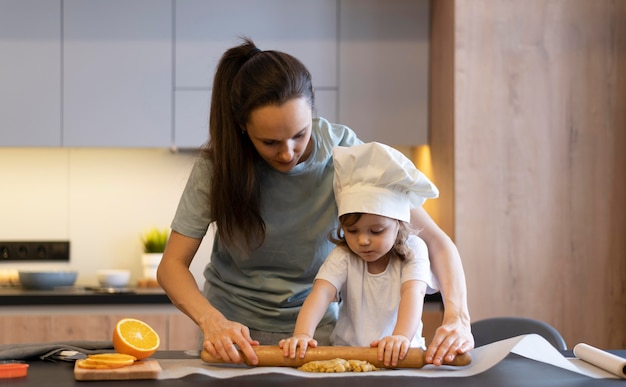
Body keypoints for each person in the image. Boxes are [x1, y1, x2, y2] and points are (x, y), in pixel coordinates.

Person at [156, 37, 473, 367]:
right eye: (270, 142)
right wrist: (212, 322)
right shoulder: (219, 165)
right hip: (234, 338)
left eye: (300, 134)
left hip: (315, 339)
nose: (288, 152)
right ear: (242, 128)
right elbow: (171, 266)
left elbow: (434, 241)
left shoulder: (346, 155)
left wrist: (457, 317)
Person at [280, 142, 440, 367]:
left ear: (399, 224)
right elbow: (321, 294)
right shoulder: (344, 255)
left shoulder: (414, 250)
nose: (362, 241)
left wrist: (400, 337)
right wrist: (303, 335)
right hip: (348, 357)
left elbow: (413, 292)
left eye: (376, 231)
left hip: (403, 357)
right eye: (352, 231)